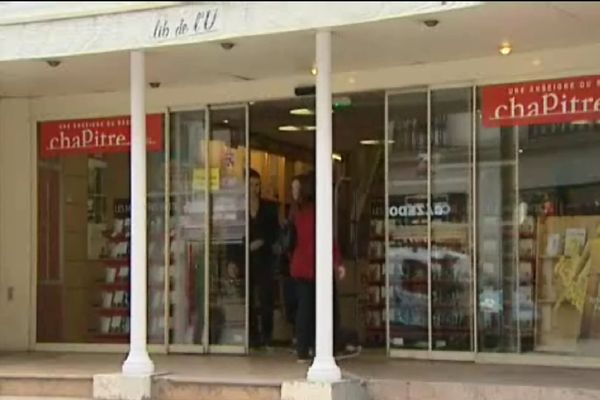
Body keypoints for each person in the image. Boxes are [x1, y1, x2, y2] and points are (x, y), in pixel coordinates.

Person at [289, 172, 347, 363]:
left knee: (305, 310)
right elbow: (327, 240)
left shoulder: (297, 213)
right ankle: (317, 347)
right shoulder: (313, 212)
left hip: (303, 267)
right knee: (318, 310)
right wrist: (336, 262)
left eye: (296, 188)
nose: (294, 192)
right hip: (313, 268)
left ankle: (304, 348)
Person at [248, 168, 279, 349]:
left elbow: (274, 233)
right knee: (250, 300)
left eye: (257, 185)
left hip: (265, 259)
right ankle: (253, 337)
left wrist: (263, 241)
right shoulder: (240, 207)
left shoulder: (268, 208)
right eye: (251, 185)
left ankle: (267, 335)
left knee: (266, 299)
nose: (254, 189)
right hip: (248, 260)